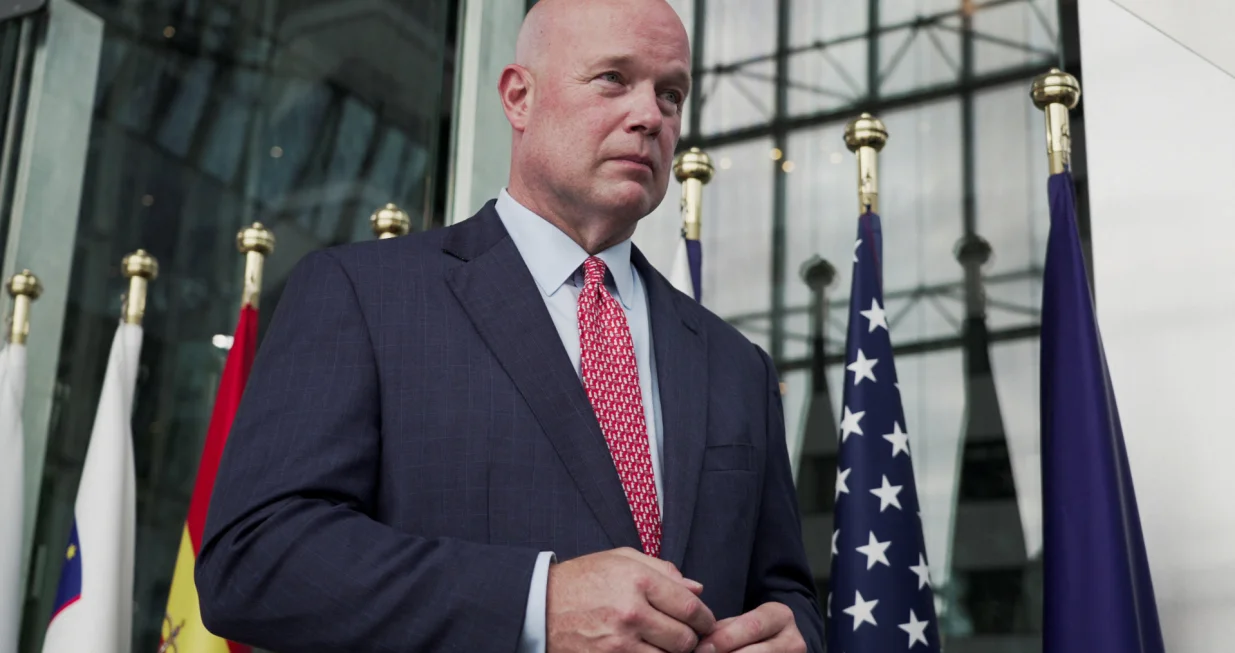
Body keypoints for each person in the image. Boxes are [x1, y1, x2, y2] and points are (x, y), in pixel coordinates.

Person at [194, 0, 823, 651]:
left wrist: (794, 632)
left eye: (671, 94)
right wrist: (532, 602)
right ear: (518, 97)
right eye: (613, 78)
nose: (649, 117)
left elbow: (785, 590)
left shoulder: (733, 364)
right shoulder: (363, 295)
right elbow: (254, 557)